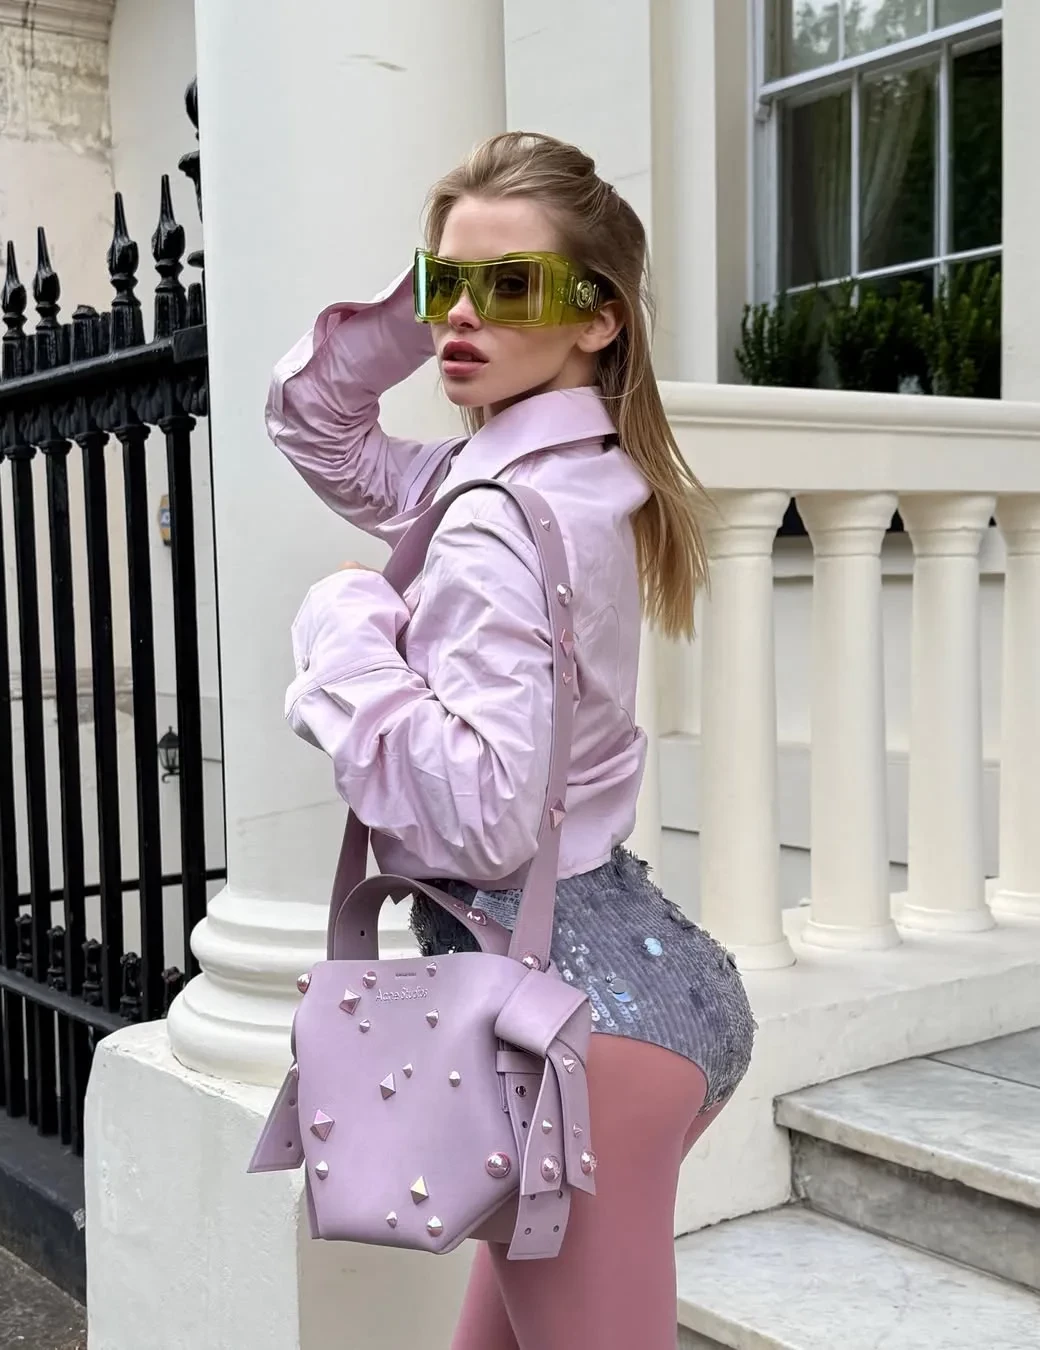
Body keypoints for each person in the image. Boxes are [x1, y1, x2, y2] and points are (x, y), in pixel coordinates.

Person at [266, 131, 755, 1350]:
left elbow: (483, 820)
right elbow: (317, 423)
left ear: (600, 317)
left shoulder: (493, 518)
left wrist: (341, 629)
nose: (461, 317)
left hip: (560, 1041)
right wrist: (437, 289)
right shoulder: (549, 471)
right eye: (449, 285)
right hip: (615, 991)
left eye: (512, 286)